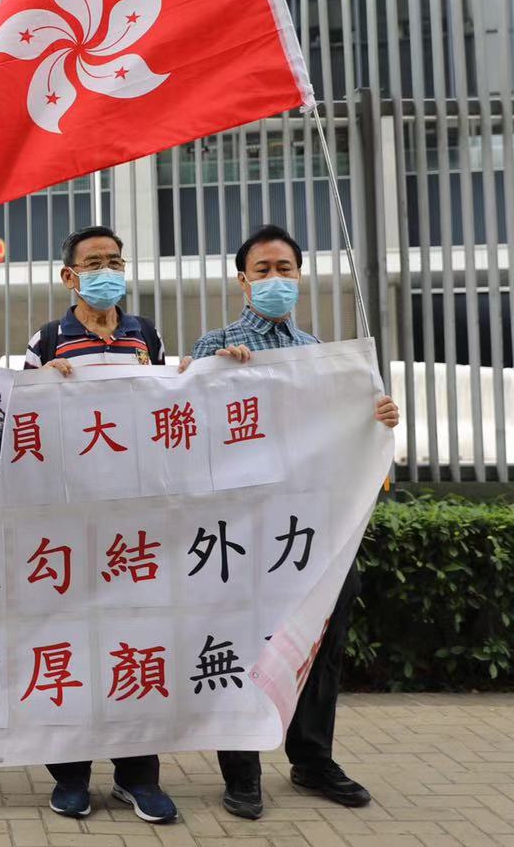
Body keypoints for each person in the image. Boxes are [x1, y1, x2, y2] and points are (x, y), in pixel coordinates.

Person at [178, 224, 399, 822]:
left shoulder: (324, 355)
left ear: (300, 275)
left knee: (323, 643)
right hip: (245, 532)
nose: (275, 280)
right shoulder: (214, 346)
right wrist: (211, 376)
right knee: (242, 639)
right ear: (242, 280)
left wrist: (376, 417)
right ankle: (242, 768)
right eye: (263, 269)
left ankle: (312, 758)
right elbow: (188, 435)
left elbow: (348, 444)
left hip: (315, 533)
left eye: (285, 268)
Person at [21, 225, 177, 825]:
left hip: (133, 521)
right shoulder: (49, 339)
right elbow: (25, 421)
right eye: (93, 262)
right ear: (69, 276)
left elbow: (169, 413)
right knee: (75, 645)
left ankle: (139, 776)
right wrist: (45, 385)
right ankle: (72, 777)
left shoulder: (147, 335)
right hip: (71, 522)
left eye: (115, 260)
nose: (106, 270)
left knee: (135, 643)